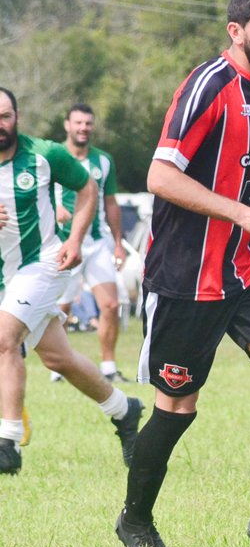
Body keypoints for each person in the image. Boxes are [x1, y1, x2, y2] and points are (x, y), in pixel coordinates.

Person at [117, 0, 250, 547]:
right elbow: (160, 177)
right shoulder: (208, 85)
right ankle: (135, 520)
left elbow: (241, 178)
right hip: (187, 276)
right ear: (236, 32)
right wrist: (243, 216)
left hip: (246, 264)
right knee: (177, 406)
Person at [0, 87, 143, 475]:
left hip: (42, 263)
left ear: (17, 117)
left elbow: (88, 188)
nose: (0, 124)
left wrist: (76, 239)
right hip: (3, 275)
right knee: (58, 358)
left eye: (6, 116)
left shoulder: (45, 154)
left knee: (4, 338)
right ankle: (124, 410)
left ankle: (7, 443)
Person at [51, 103, 129, 383]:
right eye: (78, 123)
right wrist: (55, 209)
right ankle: (57, 367)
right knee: (61, 308)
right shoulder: (52, 156)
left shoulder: (103, 161)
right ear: (67, 125)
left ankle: (108, 367)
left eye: (88, 123)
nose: (83, 128)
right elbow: (36, 193)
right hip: (62, 243)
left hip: (97, 244)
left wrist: (118, 243)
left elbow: (111, 203)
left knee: (110, 305)